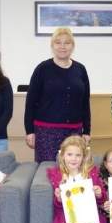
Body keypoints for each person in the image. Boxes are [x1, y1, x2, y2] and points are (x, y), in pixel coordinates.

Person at [24, 27, 91, 162]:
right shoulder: (42, 69)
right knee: (46, 171)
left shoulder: (80, 69)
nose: (62, 46)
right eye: (58, 42)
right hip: (46, 132)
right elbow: (30, 102)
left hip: (74, 132)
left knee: (73, 169)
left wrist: (87, 131)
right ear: (52, 45)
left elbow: (85, 103)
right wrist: (29, 131)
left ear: (72, 46)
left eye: (67, 42)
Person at [47, 135, 106, 223]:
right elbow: (57, 206)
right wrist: (59, 198)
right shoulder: (56, 175)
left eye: (78, 155)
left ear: (84, 157)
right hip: (68, 218)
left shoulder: (91, 173)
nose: (73, 159)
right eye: (70, 154)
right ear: (62, 155)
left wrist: (99, 193)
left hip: (88, 217)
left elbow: (102, 197)